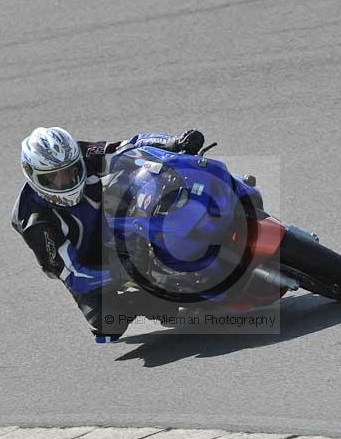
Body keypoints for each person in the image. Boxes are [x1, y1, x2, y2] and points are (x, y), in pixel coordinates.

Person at [11, 126, 205, 342]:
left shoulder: (82, 154)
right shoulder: (33, 219)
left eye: (70, 170)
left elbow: (129, 147)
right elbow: (73, 274)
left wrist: (174, 143)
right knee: (109, 323)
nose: (66, 181)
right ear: (33, 176)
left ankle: (201, 202)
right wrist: (120, 272)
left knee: (143, 170)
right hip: (87, 264)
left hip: (110, 224)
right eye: (53, 178)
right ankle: (150, 302)